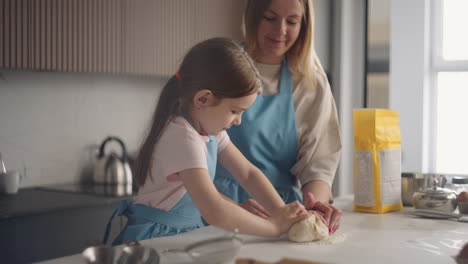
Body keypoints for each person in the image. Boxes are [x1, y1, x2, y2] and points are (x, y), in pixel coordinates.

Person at [102, 38, 310, 245]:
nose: (238, 121)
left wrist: (281, 212)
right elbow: (214, 210)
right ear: (203, 99)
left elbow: (248, 173)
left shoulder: (209, 131)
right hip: (155, 240)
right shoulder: (182, 137)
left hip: (183, 235)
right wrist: (274, 228)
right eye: (235, 111)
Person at [214, 0, 343, 232]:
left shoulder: (310, 83)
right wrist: (231, 206)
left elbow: (318, 163)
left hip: (281, 212)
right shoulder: (222, 67)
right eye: (270, 18)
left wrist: (315, 206)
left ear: (304, 25)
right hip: (218, 208)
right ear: (253, 17)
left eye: (292, 21)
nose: (281, 30)